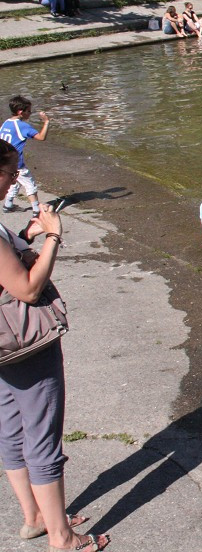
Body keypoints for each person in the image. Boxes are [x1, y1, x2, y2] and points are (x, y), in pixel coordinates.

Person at [0, 141, 111, 552]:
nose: (16, 179)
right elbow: (27, 290)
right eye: (10, 172)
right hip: (23, 344)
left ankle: (35, 517)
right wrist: (52, 238)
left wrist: (25, 235)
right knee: (42, 434)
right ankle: (62, 538)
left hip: (1, 352)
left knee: (11, 429)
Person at [1, 97, 49, 215]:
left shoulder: (6, 123)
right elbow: (41, 137)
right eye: (29, 111)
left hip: (4, 161)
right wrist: (46, 122)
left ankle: (8, 205)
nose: (30, 113)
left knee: (14, 181)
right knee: (29, 184)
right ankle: (36, 210)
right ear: (20, 112)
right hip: (16, 163)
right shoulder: (22, 126)